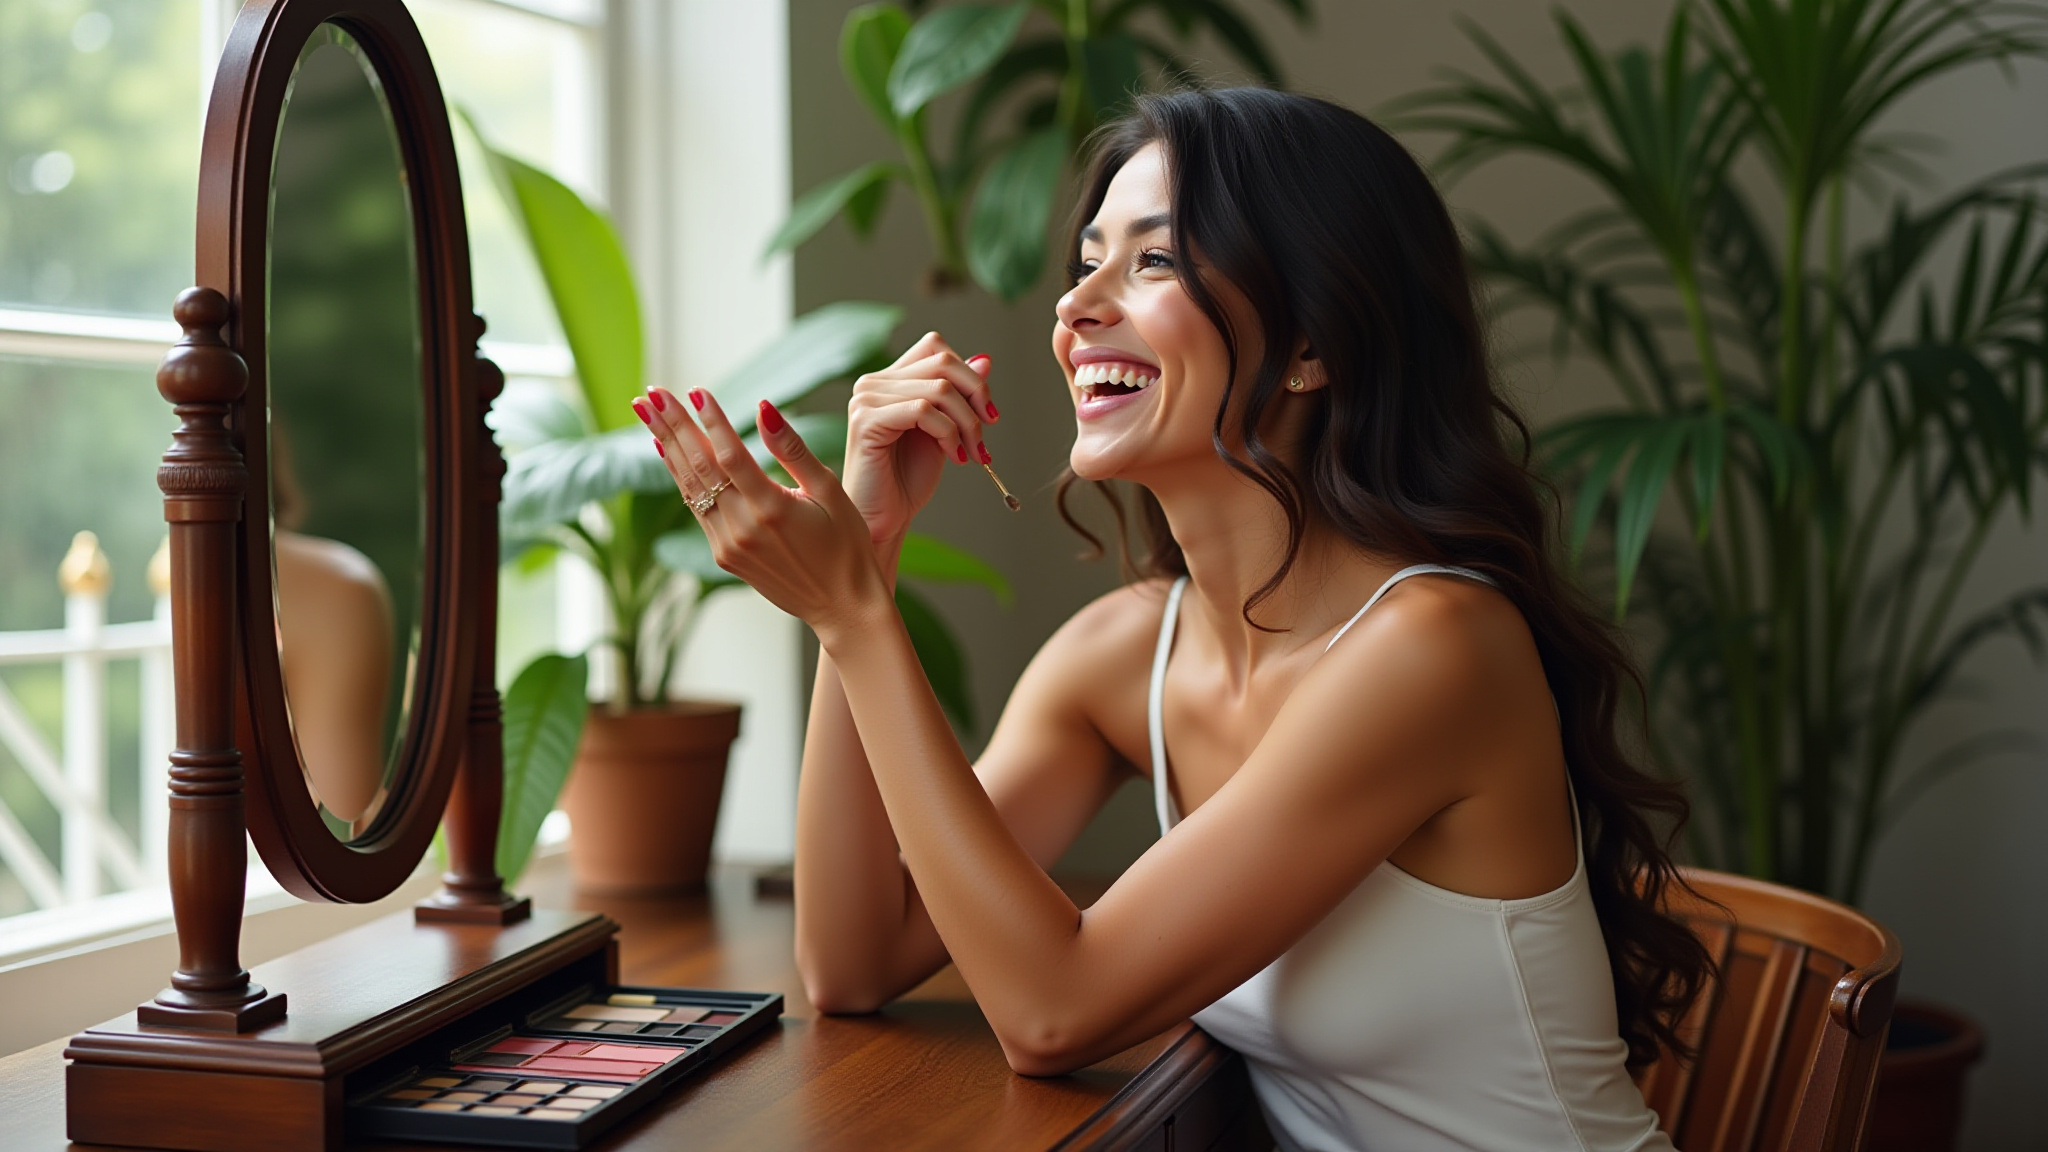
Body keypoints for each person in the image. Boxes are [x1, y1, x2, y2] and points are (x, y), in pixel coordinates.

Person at [634, 87, 1712, 1152]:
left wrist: (859, 618)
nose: (1074, 307)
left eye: (1153, 260)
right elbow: (854, 960)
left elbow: (1054, 1012)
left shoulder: (1435, 648)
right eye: (1086, 260)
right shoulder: (1122, 654)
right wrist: (861, 566)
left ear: (1309, 346)